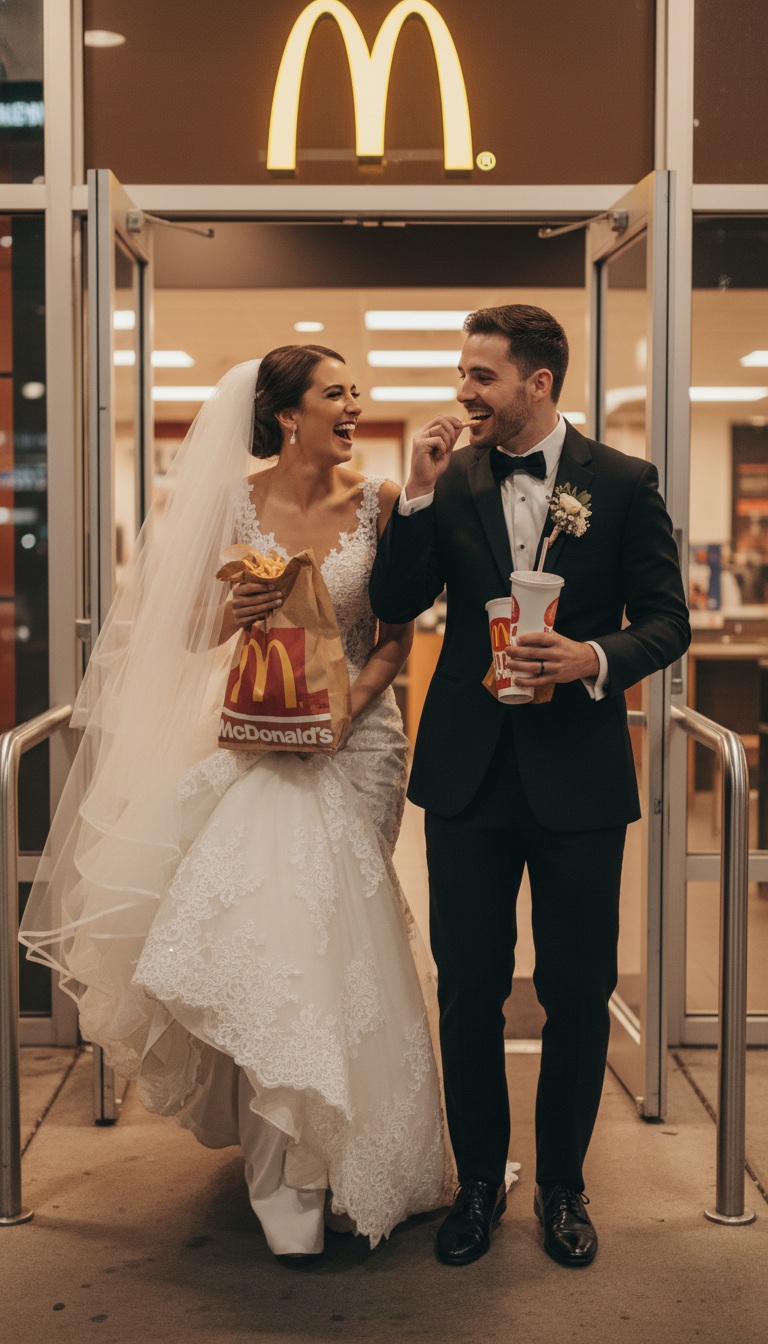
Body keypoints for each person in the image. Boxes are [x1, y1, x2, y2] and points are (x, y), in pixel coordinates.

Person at [20, 346, 451, 1257]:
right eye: (336, 393)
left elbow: (396, 641)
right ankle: (287, 1164)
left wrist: (346, 713)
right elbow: (184, 634)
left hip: (357, 745)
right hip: (259, 737)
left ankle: (350, 1150)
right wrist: (242, 611)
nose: (354, 405)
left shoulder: (377, 501)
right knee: (273, 935)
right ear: (287, 414)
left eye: (354, 393)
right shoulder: (233, 504)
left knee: (352, 938)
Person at [369, 305, 691, 1268]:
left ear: (538, 383)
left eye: (481, 376)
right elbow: (395, 602)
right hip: (468, 772)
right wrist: (416, 501)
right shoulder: (450, 476)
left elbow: (668, 622)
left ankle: (562, 1188)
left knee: (578, 990)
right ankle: (477, 1186)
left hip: (581, 779)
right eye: (463, 373)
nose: (463, 392)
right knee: (468, 990)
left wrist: (591, 654)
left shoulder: (625, 484)